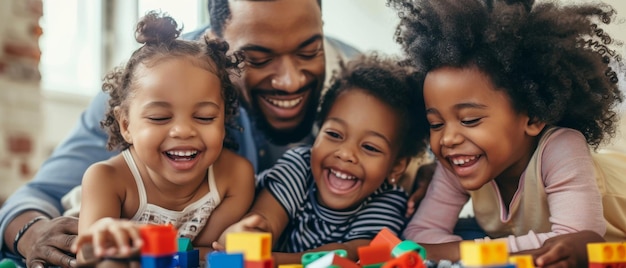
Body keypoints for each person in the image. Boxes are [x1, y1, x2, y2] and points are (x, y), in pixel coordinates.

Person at [0, 1, 428, 267]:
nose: (290, 79)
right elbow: (39, 193)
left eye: (308, 50)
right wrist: (32, 233)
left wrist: (434, 173)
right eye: (257, 57)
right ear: (216, 42)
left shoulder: (367, 91)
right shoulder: (157, 78)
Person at [389, 0, 625, 265]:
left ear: (533, 117)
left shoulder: (561, 147)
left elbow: (574, 239)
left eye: (470, 119)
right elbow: (420, 235)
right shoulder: (459, 159)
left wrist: (463, 253)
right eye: (436, 124)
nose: (448, 138)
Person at [68, 11, 255, 262]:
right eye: (159, 117)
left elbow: (203, 254)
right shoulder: (107, 179)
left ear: (224, 119)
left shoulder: (235, 177)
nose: (183, 130)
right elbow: (86, 257)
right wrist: (104, 241)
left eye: (205, 117)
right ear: (126, 125)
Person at [213, 54, 429, 265]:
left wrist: (273, 262)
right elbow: (266, 219)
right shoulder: (298, 166)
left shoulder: (388, 201)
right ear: (318, 132)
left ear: (396, 166)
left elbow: (353, 254)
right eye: (334, 135)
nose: (345, 154)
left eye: (370, 147)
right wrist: (247, 232)